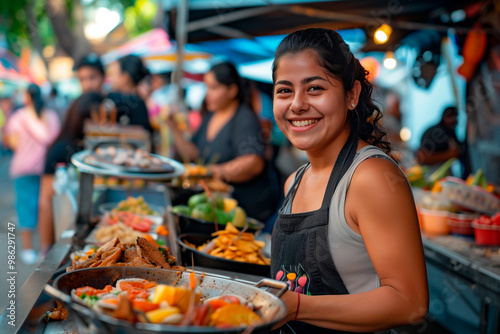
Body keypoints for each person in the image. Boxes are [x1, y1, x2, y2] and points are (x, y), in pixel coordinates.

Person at [270, 28, 428, 333]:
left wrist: (297, 307)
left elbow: (410, 303)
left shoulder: (372, 178)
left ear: (352, 95)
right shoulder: (295, 181)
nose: (297, 105)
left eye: (314, 88)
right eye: (284, 90)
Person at [167, 62, 279, 223]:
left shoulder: (244, 118)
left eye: (213, 88)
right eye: (206, 87)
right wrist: (173, 127)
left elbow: (253, 162)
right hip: (216, 208)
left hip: (243, 210)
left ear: (232, 90)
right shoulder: (210, 116)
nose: (208, 94)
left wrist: (212, 171)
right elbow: (194, 154)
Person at [38, 93, 104, 254]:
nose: (102, 124)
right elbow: (45, 200)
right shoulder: (62, 149)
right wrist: (46, 248)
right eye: (98, 118)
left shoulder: (86, 145)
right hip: (64, 231)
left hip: (78, 227)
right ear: (83, 119)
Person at [3, 84, 60, 264]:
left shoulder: (18, 117)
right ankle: (45, 247)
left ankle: (28, 249)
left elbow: (12, 143)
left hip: (23, 169)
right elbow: (55, 141)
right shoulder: (51, 116)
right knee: (45, 207)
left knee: (25, 207)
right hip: (46, 169)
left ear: (27, 96)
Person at [107, 55, 154, 149]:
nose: (110, 78)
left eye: (113, 74)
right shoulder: (138, 101)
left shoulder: (129, 101)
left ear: (125, 77)